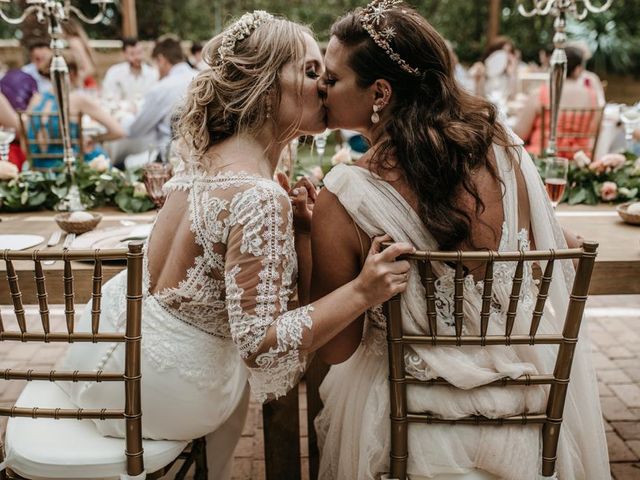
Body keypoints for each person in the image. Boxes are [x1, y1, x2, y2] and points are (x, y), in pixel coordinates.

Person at [56, 11, 412, 479]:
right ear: (265, 86)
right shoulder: (258, 195)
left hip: (106, 356)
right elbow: (261, 346)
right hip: (160, 392)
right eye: (309, 71)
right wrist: (363, 291)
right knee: (238, 376)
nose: (323, 85)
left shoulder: (201, 163)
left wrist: (303, 232)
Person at [313, 2, 609, 479]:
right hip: (523, 399)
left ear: (380, 92)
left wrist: (316, 233)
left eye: (332, 78)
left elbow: (334, 350)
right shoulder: (503, 148)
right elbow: (539, 255)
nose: (321, 89)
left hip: (405, 416)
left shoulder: (342, 196)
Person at [21, 58, 124, 169]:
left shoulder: (36, 99)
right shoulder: (77, 100)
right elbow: (119, 131)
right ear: (73, 74)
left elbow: (24, 138)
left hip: (38, 166)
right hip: (71, 167)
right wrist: (93, 139)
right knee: (101, 159)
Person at [113, 35, 197, 168]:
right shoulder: (201, 77)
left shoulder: (161, 88)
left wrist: (124, 117)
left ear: (161, 60)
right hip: (200, 155)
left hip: (169, 158)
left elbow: (135, 131)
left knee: (119, 165)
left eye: (156, 64)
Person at [514, 46, 600, 158]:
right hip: (578, 159)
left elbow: (519, 135)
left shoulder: (540, 93)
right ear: (578, 69)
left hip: (542, 158)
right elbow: (593, 131)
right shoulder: (592, 96)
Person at [101, 37, 159, 102]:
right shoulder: (114, 72)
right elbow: (108, 96)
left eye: (139, 53)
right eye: (132, 54)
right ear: (124, 54)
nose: (137, 57)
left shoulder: (153, 73)